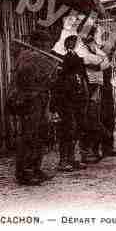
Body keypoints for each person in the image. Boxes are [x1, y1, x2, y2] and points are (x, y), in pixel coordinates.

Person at [12, 30, 59, 185]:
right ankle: (24, 172)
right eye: (46, 43)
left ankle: (35, 168)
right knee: (29, 135)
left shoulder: (43, 57)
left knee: (41, 134)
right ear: (38, 43)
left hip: (42, 98)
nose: (48, 46)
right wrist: (49, 66)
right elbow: (27, 77)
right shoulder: (27, 56)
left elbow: (51, 80)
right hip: (29, 99)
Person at [51, 35, 89, 172]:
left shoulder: (78, 63)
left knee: (76, 130)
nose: (73, 44)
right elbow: (56, 88)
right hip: (65, 103)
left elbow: (84, 80)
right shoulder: (61, 65)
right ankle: (63, 161)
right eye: (70, 42)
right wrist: (55, 107)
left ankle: (73, 159)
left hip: (78, 102)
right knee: (66, 130)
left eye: (75, 42)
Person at [78, 36, 112, 163]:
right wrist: (98, 62)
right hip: (86, 87)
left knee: (96, 119)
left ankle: (94, 150)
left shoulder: (97, 51)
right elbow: (88, 61)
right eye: (88, 41)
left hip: (97, 88)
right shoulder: (81, 50)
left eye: (92, 41)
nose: (91, 43)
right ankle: (85, 152)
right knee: (88, 121)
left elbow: (105, 63)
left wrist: (98, 63)